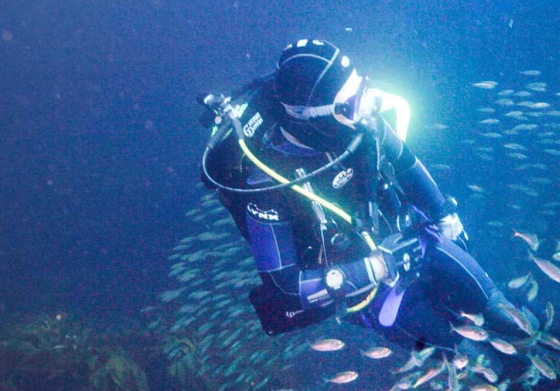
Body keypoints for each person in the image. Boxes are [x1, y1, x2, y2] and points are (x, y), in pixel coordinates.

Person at [200, 38, 536, 352]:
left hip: (412, 242)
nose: (367, 108)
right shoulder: (267, 185)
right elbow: (286, 286)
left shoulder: (363, 122)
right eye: (350, 104)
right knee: (468, 355)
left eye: (363, 89)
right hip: (369, 293)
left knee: (507, 313)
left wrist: (443, 214)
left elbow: (406, 162)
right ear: (310, 118)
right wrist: (376, 267)